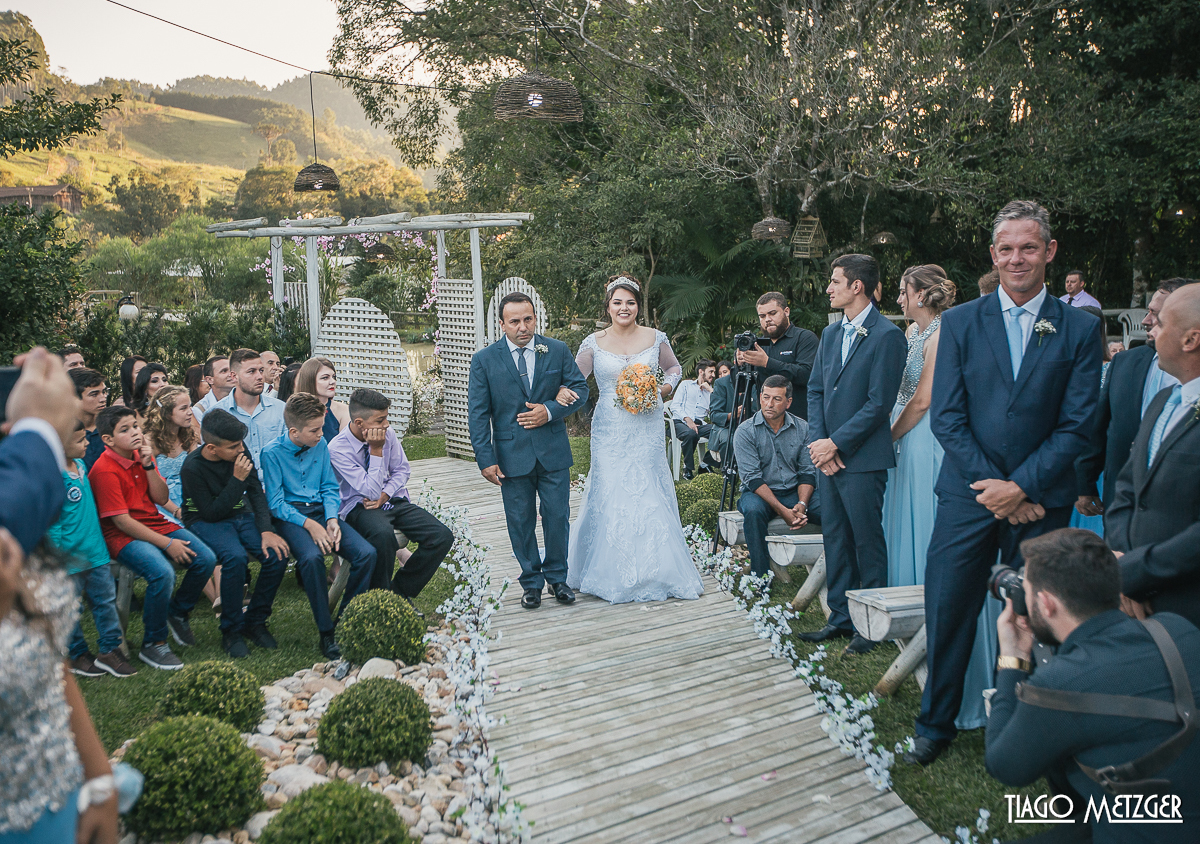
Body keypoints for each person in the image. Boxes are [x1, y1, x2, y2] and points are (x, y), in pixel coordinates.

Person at [906, 200, 1103, 766]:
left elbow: (1078, 423)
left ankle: (1035, 730)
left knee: (1043, 615)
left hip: (1041, 502)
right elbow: (947, 417)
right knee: (949, 607)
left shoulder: (1080, 328)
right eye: (1007, 249)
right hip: (968, 497)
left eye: (1029, 247)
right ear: (993, 255)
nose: (1018, 258)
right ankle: (935, 723)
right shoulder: (961, 322)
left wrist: (1022, 489)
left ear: (1050, 252)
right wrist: (997, 488)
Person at [986, 529, 1200, 841]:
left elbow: (1005, 767)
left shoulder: (1059, 683)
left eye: (1026, 590)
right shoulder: (1176, 628)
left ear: (1046, 603)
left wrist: (1013, 658)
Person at [881, 265, 998, 728]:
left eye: (903, 291)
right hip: (907, 436)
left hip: (927, 437)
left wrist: (888, 437)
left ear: (922, 295)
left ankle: (946, 649)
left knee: (929, 525)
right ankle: (912, 634)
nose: (899, 299)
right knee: (905, 525)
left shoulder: (945, 332)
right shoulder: (913, 331)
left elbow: (925, 398)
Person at [566, 276, 705, 604]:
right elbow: (574, 379)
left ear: (638, 306)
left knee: (647, 488)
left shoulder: (655, 338)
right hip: (610, 429)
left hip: (647, 426)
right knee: (611, 488)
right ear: (608, 307)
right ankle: (608, 571)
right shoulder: (593, 342)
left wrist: (662, 389)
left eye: (630, 302)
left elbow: (674, 368)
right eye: (617, 302)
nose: (624, 308)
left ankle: (657, 570)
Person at [801, 254, 907, 655]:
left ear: (857, 286)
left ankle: (871, 625)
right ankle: (841, 618)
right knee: (836, 538)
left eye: (835, 281)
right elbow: (815, 390)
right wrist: (820, 444)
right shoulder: (830, 333)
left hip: (863, 459)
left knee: (866, 541)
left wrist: (837, 444)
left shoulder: (887, 336)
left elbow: (879, 404)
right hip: (827, 457)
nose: (828, 288)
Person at [468, 291, 589, 608]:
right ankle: (531, 583)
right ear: (502, 324)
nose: (523, 327)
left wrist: (549, 410)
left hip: (553, 451)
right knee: (520, 521)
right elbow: (478, 414)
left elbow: (579, 388)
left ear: (535, 318)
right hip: (511, 455)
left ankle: (558, 579)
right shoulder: (484, 361)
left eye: (528, 319)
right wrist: (485, 459)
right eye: (514, 321)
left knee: (557, 517)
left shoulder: (556, 350)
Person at [88, 406, 218, 670]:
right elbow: (122, 521)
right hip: (122, 535)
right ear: (108, 440)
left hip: (154, 522)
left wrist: (148, 465)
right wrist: (167, 544)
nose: (135, 432)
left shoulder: (142, 455)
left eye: (135, 426)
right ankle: (154, 643)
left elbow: (160, 497)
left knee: (206, 558)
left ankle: (177, 612)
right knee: (162, 573)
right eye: (125, 430)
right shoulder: (104, 470)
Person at [1106, 283, 1200, 628]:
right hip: (1132, 600)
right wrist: (1121, 563)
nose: (1151, 331)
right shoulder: (1163, 401)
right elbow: (1127, 488)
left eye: (1160, 323)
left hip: (1188, 605)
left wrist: (1136, 572)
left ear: (1190, 340)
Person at [261, 393, 376, 659]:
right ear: (294, 431)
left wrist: (332, 518)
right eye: (314, 430)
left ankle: (345, 620)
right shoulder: (271, 453)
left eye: (321, 428)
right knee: (311, 559)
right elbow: (276, 503)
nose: (321, 434)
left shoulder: (321, 444)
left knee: (366, 553)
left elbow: (329, 487)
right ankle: (326, 632)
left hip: (323, 512)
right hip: (291, 517)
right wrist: (311, 526)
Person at [1075, 278, 1198, 516]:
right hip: (1120, 502)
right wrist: (1085, 483)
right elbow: (1101, 425)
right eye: (1148, 312)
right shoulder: (1125, 362)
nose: (1146, 322)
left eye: (1158, 317)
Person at [329, 389, 453, 610]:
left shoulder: (388, 434)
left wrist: (386, 494)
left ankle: (398, 593)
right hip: (360, 507)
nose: (386, 424)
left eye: (386, 417)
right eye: (380, 420)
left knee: (441, 536)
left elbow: (402, 470)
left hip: (391, 500)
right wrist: (376, 450)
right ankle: (380, 600)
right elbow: (369, 491)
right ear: (359, 423)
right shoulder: (337, 449)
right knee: (382, 535)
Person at [181, 409, 290, 658]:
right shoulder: (192, 468)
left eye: (241, 443)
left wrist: (266, 530)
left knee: (277, 555)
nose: (241, 450)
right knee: (235, 557)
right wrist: (237, 480)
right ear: (212, 448)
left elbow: (256, 492)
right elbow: (211, 513)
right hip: (204, 520)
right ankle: (231, 630)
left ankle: (255, 621)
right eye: (233, 447)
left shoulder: (239, 450)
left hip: (240, 514)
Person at [49, 422, 138, 679]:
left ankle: (110, 650)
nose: (87, 443)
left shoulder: (81, 465)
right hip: (69, 559)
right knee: (71, 609)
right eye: (80, 441)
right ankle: (77, 654)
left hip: (96, 553)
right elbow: (53, 523)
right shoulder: (53, 477)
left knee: (105, 602)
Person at [733, 375, 821, 576]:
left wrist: (802, 504)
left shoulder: (803, 428)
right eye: (766, 397)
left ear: (788, 402)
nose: (769, 404)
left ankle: (834, 566)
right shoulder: (745, 431)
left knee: (831, 508)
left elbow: (807, 472)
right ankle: (760, 577)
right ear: (760, 398)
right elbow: (752, 478)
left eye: (776, 399)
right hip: (758, 493)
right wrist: (783, 511)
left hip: (793, 490)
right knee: (753, 512)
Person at [734, 291, 820, 420]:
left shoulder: (804, 338)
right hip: (766, 421)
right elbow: (741, 387)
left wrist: (767, 363)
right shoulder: (757, 345)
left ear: (786, 311)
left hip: (799, 420)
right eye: (762, 316)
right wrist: (739, 364)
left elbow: (807, 375)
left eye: (772, 313)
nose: (767, 319)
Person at [212, 348, 286, 477]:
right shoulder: (217, 414)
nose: (259, 377)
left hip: (275, 484)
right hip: (237, 485)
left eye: (261, 370)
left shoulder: (281, 409)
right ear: (234, 376)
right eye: (251, 371)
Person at [669, 358, 716, 479]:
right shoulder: (686, 385)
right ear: (701, 372)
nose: (713, 375)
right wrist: (687, 419)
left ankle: (705, 464)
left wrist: (711, 391)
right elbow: (675, 406)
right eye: (711, 372)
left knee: (720, 431)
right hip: (680, 422)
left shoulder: (710, 392)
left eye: (714, 372)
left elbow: (715, 412)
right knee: (690, 434)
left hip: (699, 425)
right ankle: (687, 468)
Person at [295, 357, 351, 442]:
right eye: (325, 378)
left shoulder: (343, 411)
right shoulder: (294, 410)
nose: (332, 381)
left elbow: (345, 446)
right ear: (309, 380)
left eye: (334, 377)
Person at [70, 368, 109, 471]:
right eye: (94, 394)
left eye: (104, 392)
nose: (103, 399)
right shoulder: (65, 433)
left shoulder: (111, 426)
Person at [192, 355, 233, 424]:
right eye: (224, 371)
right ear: (210, 380)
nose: (231, 374)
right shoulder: (201, 409)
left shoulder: (247, 400)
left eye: (232, 370)